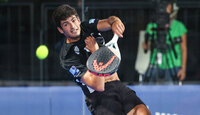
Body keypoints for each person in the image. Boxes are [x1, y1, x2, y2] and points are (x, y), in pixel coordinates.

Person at [52, 4, 150, 115]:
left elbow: (110, 21)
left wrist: (115, 22)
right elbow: (98, 86)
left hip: (118, 85)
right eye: (66, 24)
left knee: (142, 112)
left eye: (73, 20)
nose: (73, 26)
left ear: (78, 19)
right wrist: (96, 52)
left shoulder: (87, 27)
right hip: (99, 97)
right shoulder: (67, 57)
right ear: (60, 30)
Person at [142, 1, 187, 84]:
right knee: (146, 83)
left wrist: (183, 69)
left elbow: (183, 48)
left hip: (173, 64)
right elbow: (148, 47)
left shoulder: (179, 26)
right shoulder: (151, 25)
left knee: (171, 89)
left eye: (167, 6)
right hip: (155, 63)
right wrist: (146, 45)